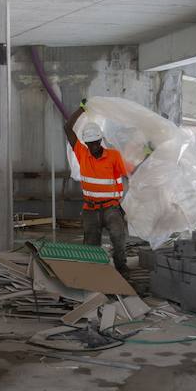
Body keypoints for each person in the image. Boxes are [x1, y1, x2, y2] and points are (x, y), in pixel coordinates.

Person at [64, 105, 129, 276]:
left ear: (100, 141)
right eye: (89, 143)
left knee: (119, 236)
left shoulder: (114, 156)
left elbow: (128, 174)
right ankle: (93, 273)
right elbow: (67, 128)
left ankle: (121, 268)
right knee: (91, 243)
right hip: (90, 209)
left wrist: (145, 155)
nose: (92, 147)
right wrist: (81, 109)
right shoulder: (82, 154)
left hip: (111, 208)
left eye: (94, 143)